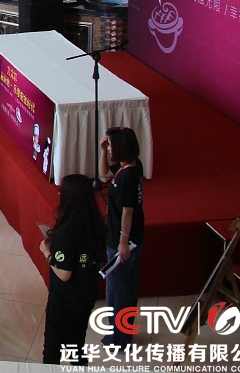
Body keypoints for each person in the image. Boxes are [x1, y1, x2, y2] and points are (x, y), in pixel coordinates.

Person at [40, 173, 107, 364]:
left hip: (65, 301)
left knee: (52, 350)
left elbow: (64, 273)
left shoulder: (66, 232)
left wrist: (46, 252)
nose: (58, 193)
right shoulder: (97, 224)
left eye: (61, 191)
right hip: (86, 295)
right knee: (76, 345)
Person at [98, 126, 144, 348]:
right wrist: (103, 152)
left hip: (123, 241)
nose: (110, 148)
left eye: (111, 145)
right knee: (123, 287)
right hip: (121, 237)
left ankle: (119, 338)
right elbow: (104, 174)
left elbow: (128, 211)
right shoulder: (131, 166)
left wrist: (122, 243)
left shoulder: (127, 176)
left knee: (118, 290)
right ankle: (121, 335)